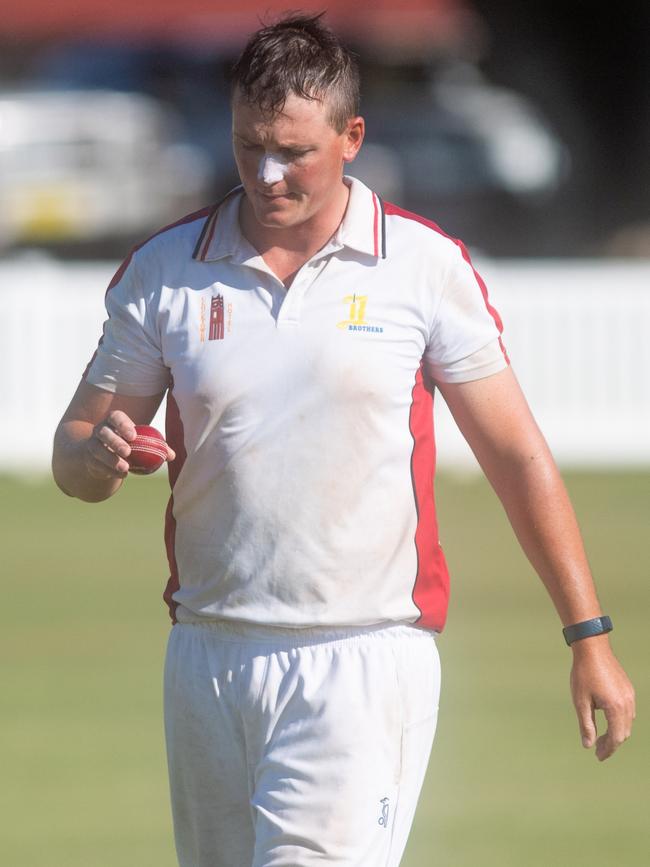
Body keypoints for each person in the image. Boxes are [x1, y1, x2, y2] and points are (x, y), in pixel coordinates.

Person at [52, 13, 635, 867]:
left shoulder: (423, 268)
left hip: (360, 657)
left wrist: (590, 636)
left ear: (352, 136)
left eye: (294, 149)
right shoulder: (167, 270)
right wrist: (95, 452)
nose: (267, 171)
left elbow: (516, 456)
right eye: (251, 145)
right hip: (206, 655)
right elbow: (74, 454)